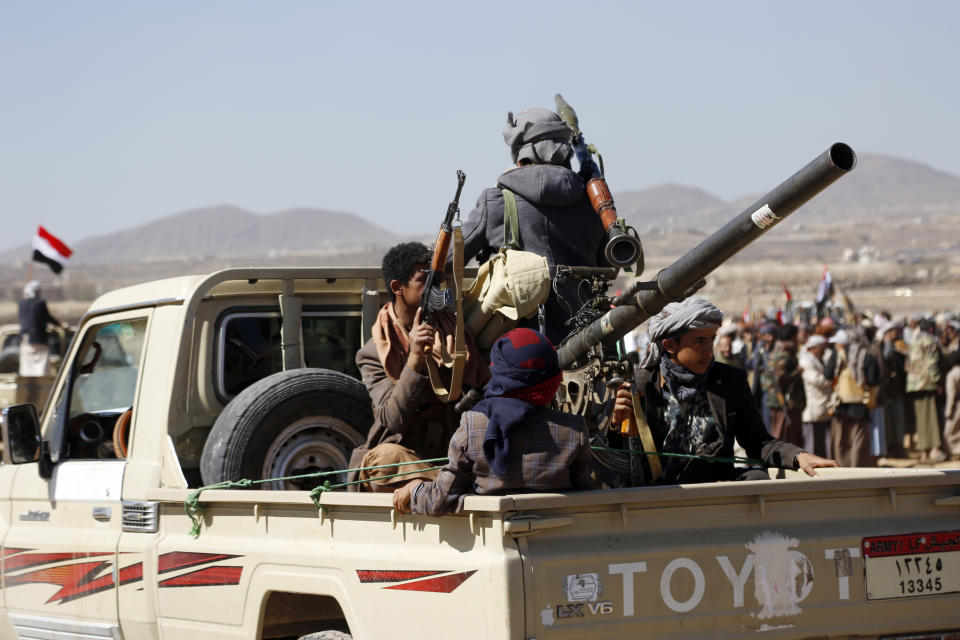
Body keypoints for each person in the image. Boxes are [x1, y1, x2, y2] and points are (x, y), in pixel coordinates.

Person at [612, 296, 835, 485]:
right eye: (699, 341)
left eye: (711, 339)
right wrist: (614, 424)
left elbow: (758, 442)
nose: (709, 350)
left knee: (757, 477)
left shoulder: (729, 381)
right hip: (657, 496)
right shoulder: (640, 385)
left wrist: (798, 456)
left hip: (715, 493)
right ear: (670, 345)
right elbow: (616, 454)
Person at [394, 328, 593, 515]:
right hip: (552, 541)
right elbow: (583, 493)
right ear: (553, 382)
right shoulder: (574, 430)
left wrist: (414, 489)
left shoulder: (473, 426)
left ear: (499, 376)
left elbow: (439, 500)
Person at [459, 107, 609, 345]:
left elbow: (448, 259)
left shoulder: (496, 202)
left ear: (519, 153)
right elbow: (609, 267)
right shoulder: (596, 206)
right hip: (584, 347)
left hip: (513, 355)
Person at [349, 242, 490, 491]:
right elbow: (393, 419)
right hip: (407, 460)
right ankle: (443, 486)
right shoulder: (373, 353)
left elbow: (485, 390)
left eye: (438, 281)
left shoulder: (454, 332)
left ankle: (442, 485)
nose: (435, 290)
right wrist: (414, 360)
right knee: (383, 460)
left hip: (454, 453)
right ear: (398, 287)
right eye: (424, 282)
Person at [825, 328, 879, 467]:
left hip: (840, 405)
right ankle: (857, 469)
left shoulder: (838, 356)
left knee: (840, 441)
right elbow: (873, 380)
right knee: (858, 441)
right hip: (861, 405)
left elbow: (828, 374)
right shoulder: (868, 357)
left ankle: (840, 470)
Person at [905, 318, 947, 462]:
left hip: (915, 385)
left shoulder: (914, 343)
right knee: (933, 417)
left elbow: (907, 365)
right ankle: (935, 449)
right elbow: (933, 364)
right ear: (930, 329)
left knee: (922, 418)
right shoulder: (931, 341)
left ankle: (924, 450)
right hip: (928, 384)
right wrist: (937, 382)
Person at [762, 324, 806, 448]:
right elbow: (780, 379)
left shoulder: (778, 352)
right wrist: (798, 371)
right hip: (785, 405)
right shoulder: (784, 354)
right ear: (792, 337)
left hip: (781, 403)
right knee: (785, 439)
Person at [17, 280, 65, 377]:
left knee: (27, 369)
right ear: (37, 291)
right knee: (42, 368)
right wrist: (59, 324)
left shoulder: (21, 303)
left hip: (25, 339)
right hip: (38, 339)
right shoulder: (40, 303)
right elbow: (47, 317)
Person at [799, 334, 832, 458]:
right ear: (815, 348)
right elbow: (817, 380)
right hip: (813, 407)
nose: (824, 350)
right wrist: (832, 381)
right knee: (811, 444)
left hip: (820, 406)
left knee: (821, 442)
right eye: (822, 347)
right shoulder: (806, 360)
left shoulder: (815, 360)